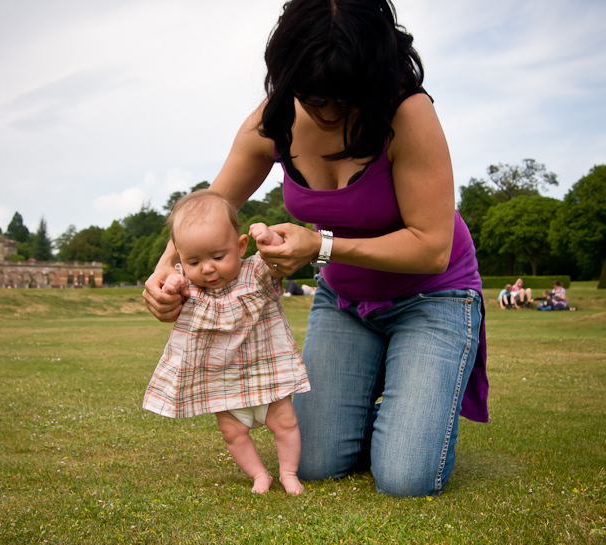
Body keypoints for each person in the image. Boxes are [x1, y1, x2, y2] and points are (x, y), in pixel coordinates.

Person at [143, 0, 488, 497]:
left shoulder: (408, 113)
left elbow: (432, 248)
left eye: (343, 99)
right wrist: (165, 274)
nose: (326, 112)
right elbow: (211, 207)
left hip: (433, 297)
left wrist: (320, 245)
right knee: (317, 461)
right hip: (344, 303)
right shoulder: (274, 118)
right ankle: (391, 401)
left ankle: (414, 402)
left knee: (406, 478)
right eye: (313, 96)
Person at [143, 191, 310, 494]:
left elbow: (278, 259)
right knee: (233, 434)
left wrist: (269, 237)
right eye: (193, 261)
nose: (207, 268)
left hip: (266, 372)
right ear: (179, 259)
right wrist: (171, 285)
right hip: (224, 380)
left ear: (240, 245)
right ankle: (260, 474)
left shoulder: (255, 273)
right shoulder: (189, 287)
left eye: (218, 257)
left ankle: (288, 472)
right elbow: (169, 291)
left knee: (285, 423)